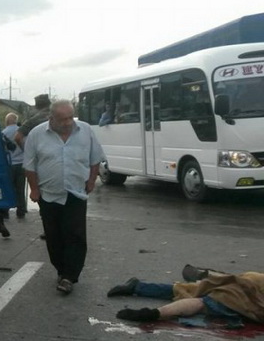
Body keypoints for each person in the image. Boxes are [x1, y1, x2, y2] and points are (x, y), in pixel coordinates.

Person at [23, 99, 105, 294]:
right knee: (54, 236)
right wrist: (34, 189)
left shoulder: (85, 130)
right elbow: (29, 164)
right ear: (51, 118)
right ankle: (61, 270)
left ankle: (70, 276)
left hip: (76, 192)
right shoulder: (37, 134)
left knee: (75, 234)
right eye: (63, 119)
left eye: (70, 117)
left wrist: (92, 180)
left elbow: (95, 159)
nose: (68, 122)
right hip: (48, 194)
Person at [107, 270, 264, 325]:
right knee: (204, 303)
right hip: (246, 290)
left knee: (188, 289)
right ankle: (153, 313)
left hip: (247, 282)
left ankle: (138, 287)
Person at [1, 112, 27, 218]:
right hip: (22, 163)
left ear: (6, 121)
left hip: (9, 163)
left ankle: (5, 211)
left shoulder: (3, 133)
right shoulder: (22, 132)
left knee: (8, 187)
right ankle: (21, 210)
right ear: (16, 120)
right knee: (20, 189)